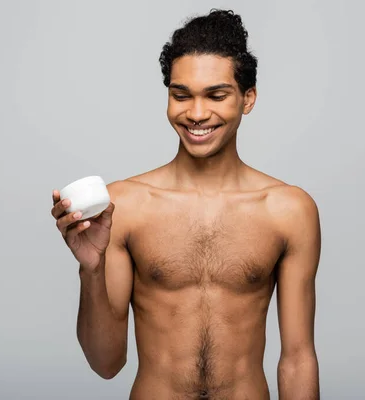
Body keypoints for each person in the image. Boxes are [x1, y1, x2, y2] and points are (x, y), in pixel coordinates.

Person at [51, 9, 321, 400]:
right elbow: (105, 362)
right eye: (181, 95)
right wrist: (91, 269)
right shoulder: (124, 204)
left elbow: (297, 359)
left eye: (216, 95)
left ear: (248, 98)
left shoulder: (289, 210)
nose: (196, 113)